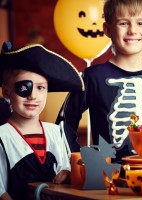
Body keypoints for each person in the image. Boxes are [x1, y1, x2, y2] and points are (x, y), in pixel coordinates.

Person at [56, 0, 142, 162]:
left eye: (140, 23)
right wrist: (76, 161)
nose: (132, 30)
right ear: (107, 29)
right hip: (104, 178)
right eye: (123, 23)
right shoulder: (92, 77)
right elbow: (64, 124)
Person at [0, 42, 84, 200]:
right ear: (6, 91)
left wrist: (68, 174)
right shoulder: (3, 137)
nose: (33, 96)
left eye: (40, 88)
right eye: (24, 88)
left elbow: (64, 174)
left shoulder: (55, 133)